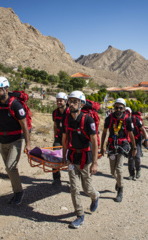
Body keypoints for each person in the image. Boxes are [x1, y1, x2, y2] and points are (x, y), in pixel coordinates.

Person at [0, 77, 31, 205]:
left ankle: (18, 192)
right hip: (2, 141)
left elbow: (24, 125)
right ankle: (16, 191)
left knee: (11, 167)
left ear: (6, 89)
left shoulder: (15, 105)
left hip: (16, 141)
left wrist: (28, 144)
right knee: (8, 168)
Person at [61, 90, 99, 229]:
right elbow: (64, 138)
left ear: (81, 104)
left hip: (85, 159)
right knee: (74, 188)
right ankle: (80, 215)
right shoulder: (67, 119)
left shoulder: (88, 120)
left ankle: (95, 196)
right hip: (72, 158)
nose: (71, 104)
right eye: (70, 101)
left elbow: (94, 142)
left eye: (75, 101)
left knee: (86, 188)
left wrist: (95, 163)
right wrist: (64, 156)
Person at [100, 98, 136, 202]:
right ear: (114, 107)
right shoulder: (109, 118)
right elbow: (104, 132)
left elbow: (131, 134)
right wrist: (102, 146)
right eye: (116, 107)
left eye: (121, 108)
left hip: (122, 146)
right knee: (112, 171)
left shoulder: (127, 119)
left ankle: (120, 190)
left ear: (124, 108)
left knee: (119, 168)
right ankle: (118, 181)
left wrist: (134, 148)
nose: (118, 109)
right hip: (111, 145)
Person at [51, 92, 69, 186]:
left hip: (69, 138)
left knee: (70, 157)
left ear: (65, 101)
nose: (59, 102)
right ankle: (56, 178)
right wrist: (55, 137)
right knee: (55, 155)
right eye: (58, 101)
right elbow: (55, 125)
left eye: (61, 101)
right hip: (59, 137)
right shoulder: (55, 112)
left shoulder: (70, 112)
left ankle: (73, 177)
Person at [127, 110, 148, 180]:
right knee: (130, 158)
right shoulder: (124, 120)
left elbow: (143, 129)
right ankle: (131, 174)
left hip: (137, 139)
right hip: (129, 140)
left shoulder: (135, 119)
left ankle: (138, 170)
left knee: (137, 156)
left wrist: (146, 140)